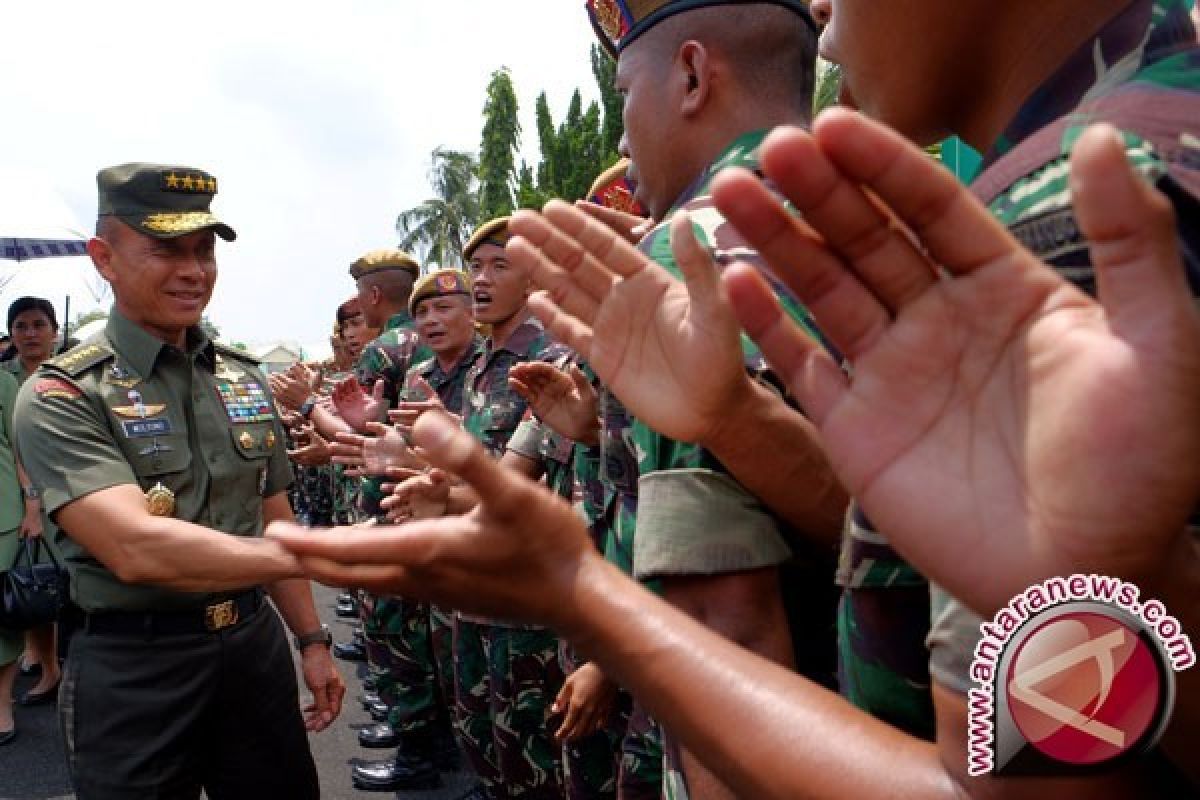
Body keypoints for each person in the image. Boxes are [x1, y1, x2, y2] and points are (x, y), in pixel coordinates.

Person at [274, 119, 1200, 800]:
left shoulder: (1118, 189)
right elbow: (1047, 752)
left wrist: (580, 594)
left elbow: (1002, 774)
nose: (828, 16)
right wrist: (1114, 583)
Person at [13, 162, 344, 799]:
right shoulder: (63, 393)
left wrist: (312, 640)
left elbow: (272, 512)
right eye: (166, 250)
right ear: (103, 258)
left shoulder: (242, 379)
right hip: (136, 665)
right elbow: (136, 547)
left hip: (253, 649)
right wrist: (345, 553)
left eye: (204, 250)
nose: (194, 270)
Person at [4, 296, 64, 706]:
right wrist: (31, 501)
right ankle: (47, 665)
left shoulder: (73, 374)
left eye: (38, 324)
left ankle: (60, 662)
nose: (30, 333)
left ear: (54, 331)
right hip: (26, 493)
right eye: (20, 325)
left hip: (72, 488)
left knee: (65, 580)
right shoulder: (5, 377)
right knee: (33, 576)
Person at [0, 367, 24, 746]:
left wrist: (33, 507)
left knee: (3, 616)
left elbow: (21, 448)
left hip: (2, 513)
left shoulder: (5, 381)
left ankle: (2, 702)